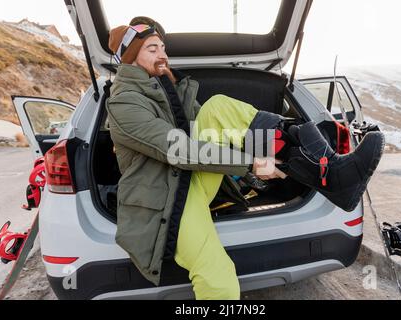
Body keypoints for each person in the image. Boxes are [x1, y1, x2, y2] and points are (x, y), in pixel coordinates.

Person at [106, 16, 385, 300]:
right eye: (152, 49)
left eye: (163, 47)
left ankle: (326, 170)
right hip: (163, 199)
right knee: (218, 280)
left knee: (216, 108)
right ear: (130, 58)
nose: (163, 54)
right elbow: (180, 149)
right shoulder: (123, 102)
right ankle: (322, 171)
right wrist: (251, 163)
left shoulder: (168, 91)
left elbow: (220, 128)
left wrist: (270, 151)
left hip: (188, 179)